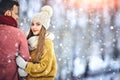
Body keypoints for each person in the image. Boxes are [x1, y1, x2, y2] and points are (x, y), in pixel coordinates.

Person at [16, 5, 57, 80]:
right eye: (32, 24)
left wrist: (26, 66)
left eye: (38, 24)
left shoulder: (47, 43)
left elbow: (45, 68)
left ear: (43, 27)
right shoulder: (30, 42)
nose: (34, 27)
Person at [0, 0, 30, 80]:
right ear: (8, 13)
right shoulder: (18, 34)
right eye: (16, 14)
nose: (17, 17)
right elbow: (25, 58)